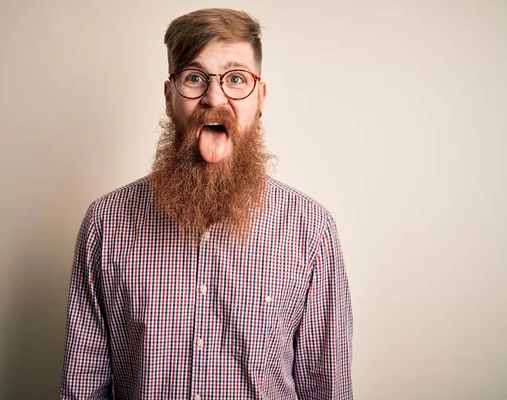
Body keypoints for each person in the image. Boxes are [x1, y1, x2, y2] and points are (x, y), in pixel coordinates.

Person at [61, 8, 353, 400]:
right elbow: (82, 390)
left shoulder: (311, 230)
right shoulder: (105, 223)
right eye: (195, 78)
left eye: (236, 79)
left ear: (260, 98)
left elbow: (327, 390)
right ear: (169, 97)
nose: (214, 97)